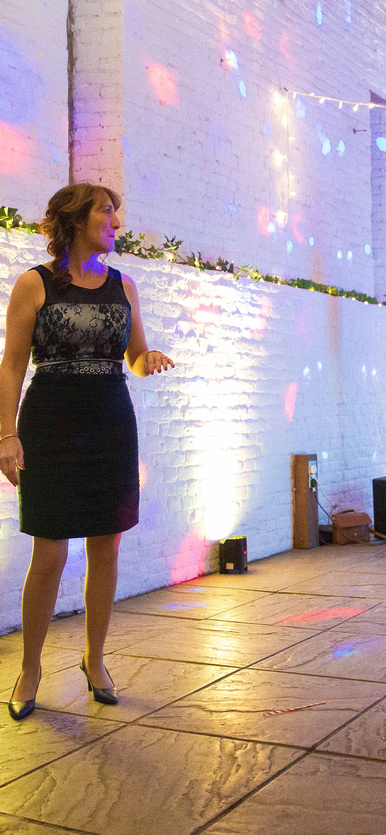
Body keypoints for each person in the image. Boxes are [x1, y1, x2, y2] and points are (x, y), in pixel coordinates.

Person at [1, 183, 175, 720]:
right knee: (49, 551)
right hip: (51, 423)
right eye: (108, 211)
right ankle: (29, 669)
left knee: (107, 546)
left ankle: (94, 660)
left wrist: (153, 360)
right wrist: (6, 434)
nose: (117, 222)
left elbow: (137, 356)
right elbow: (11, 365)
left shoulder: (124, 286)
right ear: (77, 219)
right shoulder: (34, 284)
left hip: (110, 423)